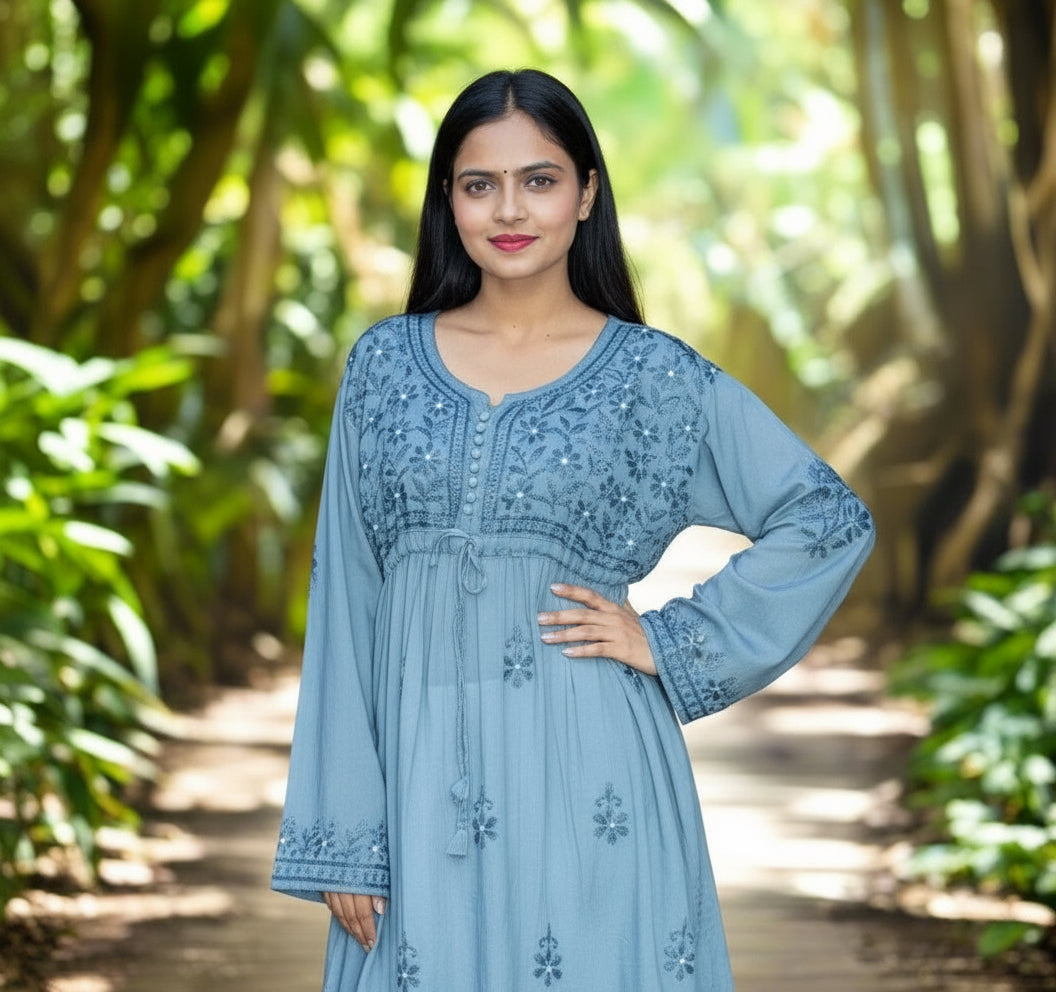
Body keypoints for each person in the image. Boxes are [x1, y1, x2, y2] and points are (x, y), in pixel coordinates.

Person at [271, 68, 874, 990]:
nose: (509, 208)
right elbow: (346, 593)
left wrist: (673, 637)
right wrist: (345, 830)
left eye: (540, 179)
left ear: (587, 193)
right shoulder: (384, 368)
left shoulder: (652, 380)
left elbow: (826, 517)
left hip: (589, 778)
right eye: (480, 184)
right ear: (449, 200)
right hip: (414, 786)